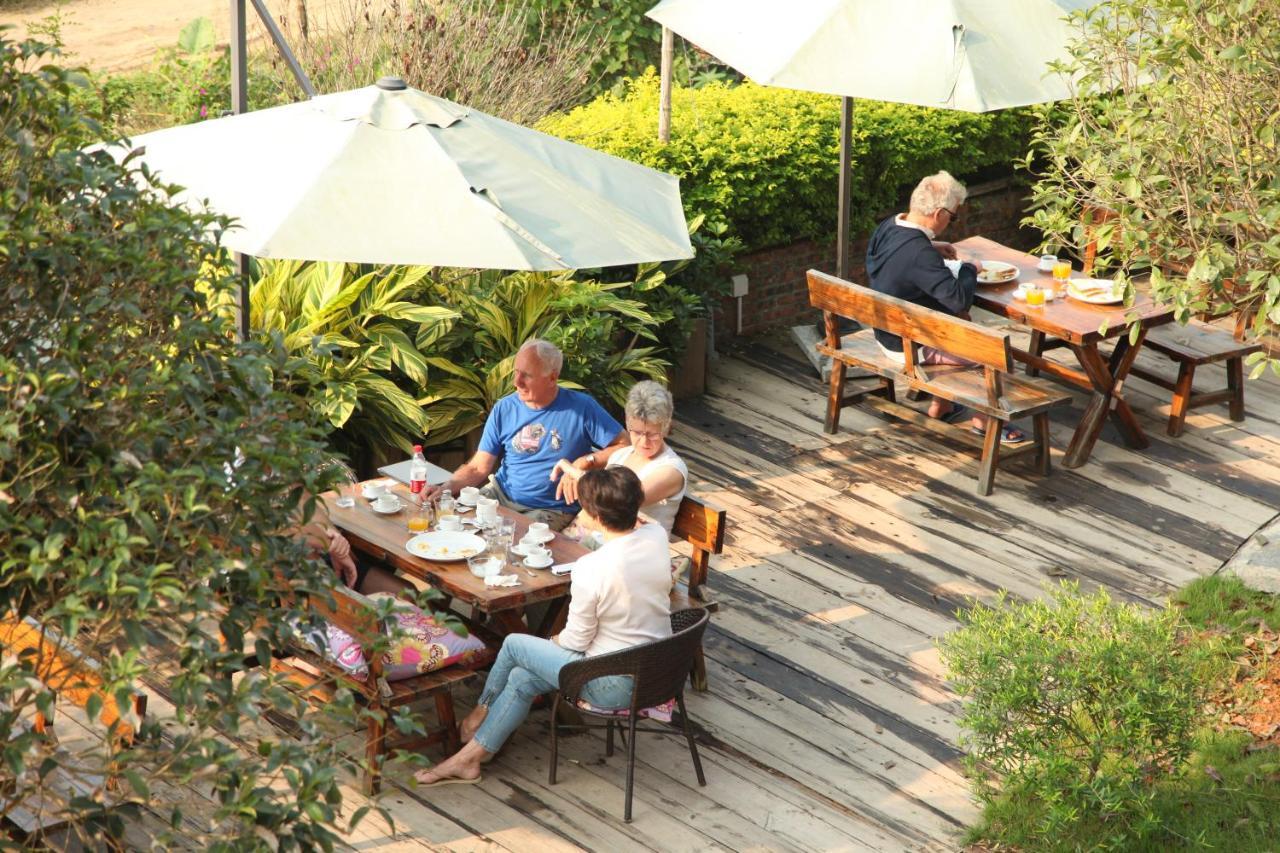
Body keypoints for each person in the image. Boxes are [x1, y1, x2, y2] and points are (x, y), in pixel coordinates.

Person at [413, 467, 672, 787]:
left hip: (612, 682)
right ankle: (468, 761)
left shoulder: (593, 568)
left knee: (514, 644)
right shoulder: (656, 536)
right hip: (660, 668)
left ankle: (477, 714)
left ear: (593, 515)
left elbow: (576, 640)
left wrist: (550, 640)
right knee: (523, 677)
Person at [865, 170, 1026, 444]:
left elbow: (892, 257)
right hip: (907, 345)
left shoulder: (890, 226)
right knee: (988, 349)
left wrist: (931, 245)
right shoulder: (919, 253)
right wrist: (969, 269)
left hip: (886, 331)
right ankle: (984, 421)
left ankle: (943, 405)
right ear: (939, 213)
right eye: (953, 217)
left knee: (959, 321)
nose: (951, 222)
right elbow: (958, 297)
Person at [425, 339, 626, 530]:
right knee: (451, 526)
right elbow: (478, 467)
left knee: (513, 544)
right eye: (516, 372)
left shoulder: (581, 408)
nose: (516, 382)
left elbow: (625, 445)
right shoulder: (504, 408)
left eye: (527, 375)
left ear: (552, 377)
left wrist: (584, 462)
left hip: (550, 509)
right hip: (499, 495)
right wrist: (446, 487)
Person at [551, 380, 687, 534]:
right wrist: (568, 536)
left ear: (666, 427)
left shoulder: (672, 469)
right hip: (599, 541)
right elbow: (591, 512)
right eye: (636, 432)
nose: (644, 442)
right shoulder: (621, 455)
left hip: (636, 549)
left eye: (652, 434)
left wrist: (573, 470)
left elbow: (622, 500)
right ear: (627, 422)